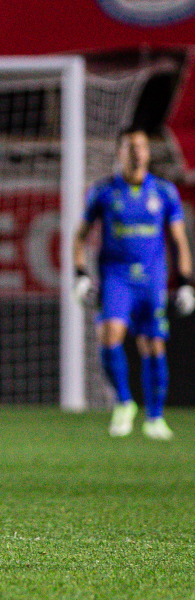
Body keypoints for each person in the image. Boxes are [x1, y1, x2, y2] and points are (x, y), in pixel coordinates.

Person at [73, 129, 193, 440]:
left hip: (152, 279)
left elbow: (179, 240)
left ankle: (155, 417)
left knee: (153, 344)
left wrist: (185, 283)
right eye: (130, 147)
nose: (137, 152)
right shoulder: (103, 192)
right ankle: (124, 402)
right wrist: (80, 275)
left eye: (141, 146)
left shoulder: (165, 192)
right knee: (109, 334)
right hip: (116, 277)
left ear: (149, 153)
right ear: (119, 153)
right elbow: (80, 236)